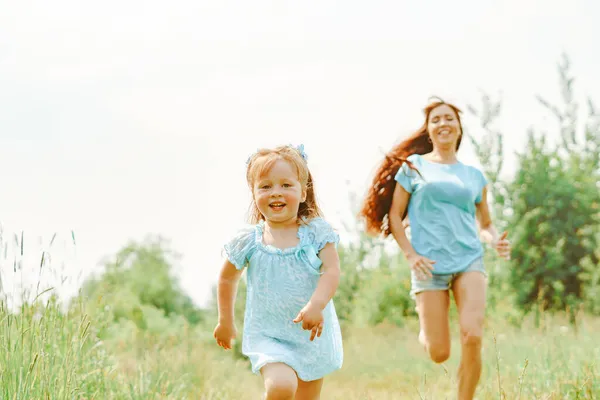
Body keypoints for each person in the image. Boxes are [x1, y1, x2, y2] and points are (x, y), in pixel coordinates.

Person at [359, 98, 511, 400]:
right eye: (437, 119)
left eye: (449, 118)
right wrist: (410, 255)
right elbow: (395, 216)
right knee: (439, 352)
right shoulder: (414, 168)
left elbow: (485, 223)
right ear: (429, 130)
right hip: (428, 264)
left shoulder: (474, 176)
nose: (443, 123)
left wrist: (495, 240)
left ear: (459, 128)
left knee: (473, 334)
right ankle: (426, 331)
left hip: (469, 260)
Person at [214, 144, 343, 400]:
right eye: (266, 186)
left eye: (286, 185)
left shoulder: (316, 233)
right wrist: (225, 320)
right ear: (253, 193)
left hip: (310, 336)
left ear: (303, 192)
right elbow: (227, 277)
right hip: (269, 335)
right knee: (281, 387)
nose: (276, 193)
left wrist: (316, 304)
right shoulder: (249, 240)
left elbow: (332, 270)